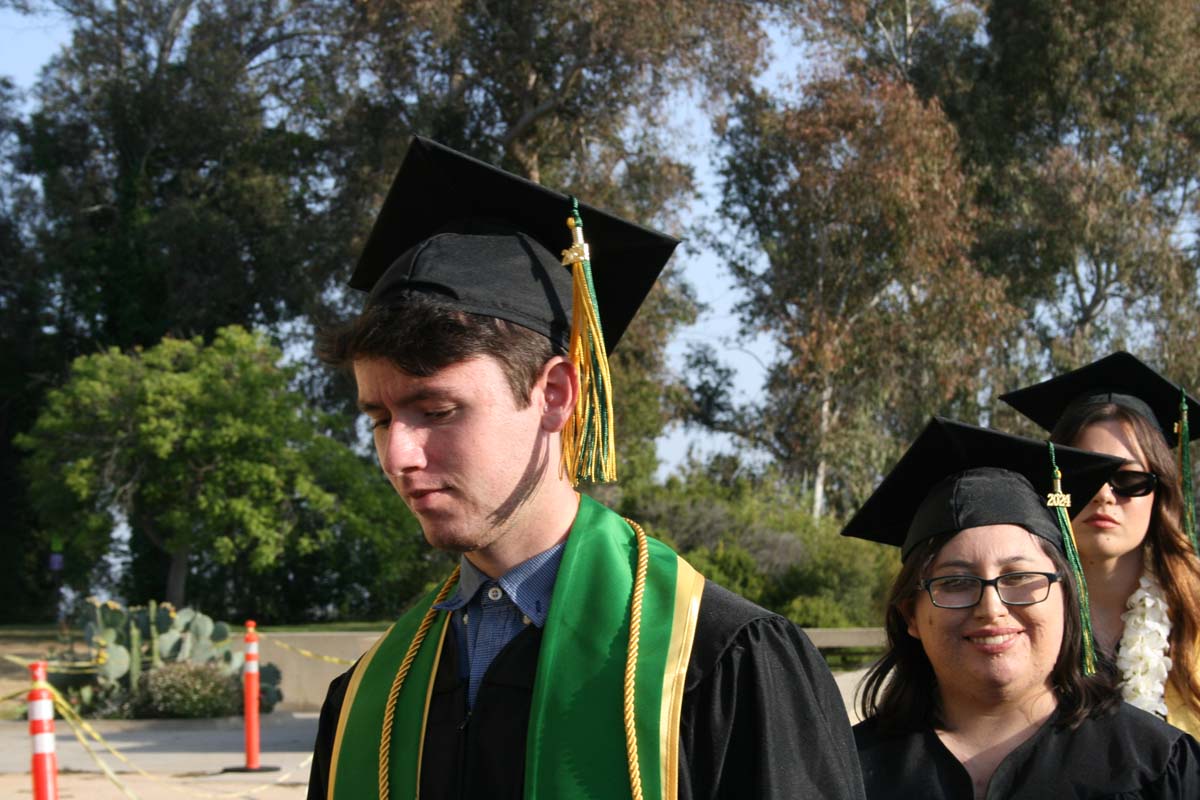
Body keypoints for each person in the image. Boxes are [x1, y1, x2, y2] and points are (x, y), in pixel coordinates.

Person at [305, 137, 865, 800]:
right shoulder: (374, 696)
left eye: (437, 409)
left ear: (555, 395)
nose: (399, 455)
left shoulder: (717, 664)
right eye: (379, 419)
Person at [842, 416, 1200, 798]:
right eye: (956, 583)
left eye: (1020, 578)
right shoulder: (843, 771)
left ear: (1067, 597)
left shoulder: (1157, 766)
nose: (991, 607)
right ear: (910, 614)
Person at [1002, 352, 1200, 735]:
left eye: (1129, 479)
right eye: (1088, 476)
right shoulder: (1012, 613)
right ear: (1055, 488)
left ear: (1159, 492)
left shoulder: (1194, 616)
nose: (1105, 495)